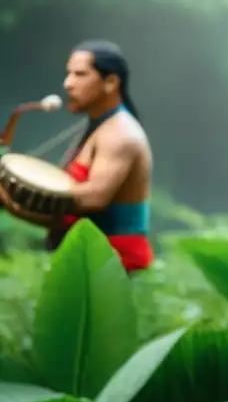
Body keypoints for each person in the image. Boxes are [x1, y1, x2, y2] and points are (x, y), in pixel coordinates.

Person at [0, 40, 154, 273]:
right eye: (68, 74)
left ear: (110, 82)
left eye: (80, 75)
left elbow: (93, 198)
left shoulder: (121, 134)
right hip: (89, 260)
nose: (68, 84)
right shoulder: (98, 125)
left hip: (114, 266)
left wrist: (15, 203)